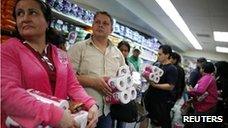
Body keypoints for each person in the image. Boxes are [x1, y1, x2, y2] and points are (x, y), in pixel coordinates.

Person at [1, 0, 98, 128]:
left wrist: (91, 104)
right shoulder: (8, 49)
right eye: (19, 13)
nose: (24, 18)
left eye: (32, 12)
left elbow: (72, 85)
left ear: (47, 21)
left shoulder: (60, 54)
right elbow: (7, 93)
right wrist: (54, 115)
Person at [68, 11, 125, 128]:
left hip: (107, 112)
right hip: (83, 110)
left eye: (105, 23)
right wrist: (92, 82)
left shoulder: (118, 54)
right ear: (92, 25)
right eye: (97, 22)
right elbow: (67, 77)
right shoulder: (79, 48)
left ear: (111, 30)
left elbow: (123, 79)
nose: (100, 25)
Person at [144, 45, 178, 128]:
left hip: (160, 102)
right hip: (152, 99)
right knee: (152, 122)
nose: (158, 56)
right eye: (157, 54)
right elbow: (154, 80)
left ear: (167, 55)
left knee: (158, 124)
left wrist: (156, 85)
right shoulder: (158, 65)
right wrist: (147, 78)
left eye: (160, 54)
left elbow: (170, 86)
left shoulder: (172, 69)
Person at [187, 62, 218, 128]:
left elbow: (200, 91)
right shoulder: (208, 77)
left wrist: (190, 91)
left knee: (198, 125)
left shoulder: (207, 78)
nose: (200, 69)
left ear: (203, 69)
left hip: (205, 106)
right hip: (205, 105)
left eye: (201, 68)